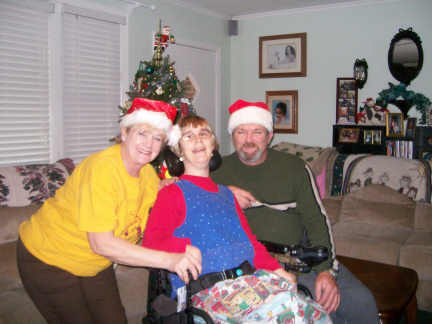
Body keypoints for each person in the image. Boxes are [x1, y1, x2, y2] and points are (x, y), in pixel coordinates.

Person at [17, 98, 202, 324]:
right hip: (49, 257)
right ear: (124, 133)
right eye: (142, 133)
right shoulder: (102, 170)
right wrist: (169, 260)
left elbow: (155, 219)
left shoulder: (147, 175)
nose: (149, 144)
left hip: (95, 262)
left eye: (157, 138)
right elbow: (102, 243)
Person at [142, 115, 331, 324]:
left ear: (213, 146)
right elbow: (151, 243)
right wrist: (185, 247)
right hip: (206, 293)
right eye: (188, 136)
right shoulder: (172, 193)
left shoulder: (226, 195)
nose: (197, 140)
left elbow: (251, 244)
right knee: (289, 310)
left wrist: (277, 270)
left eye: (203, 134)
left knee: (316, 314)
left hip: (247, 282)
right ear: (178, 150)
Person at [211, 99, 380, 324]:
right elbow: (186, 196)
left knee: (361, 302)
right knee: (312, 312)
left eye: (257, 132)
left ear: (269, 136)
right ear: (232, 135)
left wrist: (325, 271)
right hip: (250, 266)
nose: (249, 140)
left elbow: (316, 220)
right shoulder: (216, 172)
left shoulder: (295, 168)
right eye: (241, 132)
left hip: (299, 258)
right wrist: (223, 193)